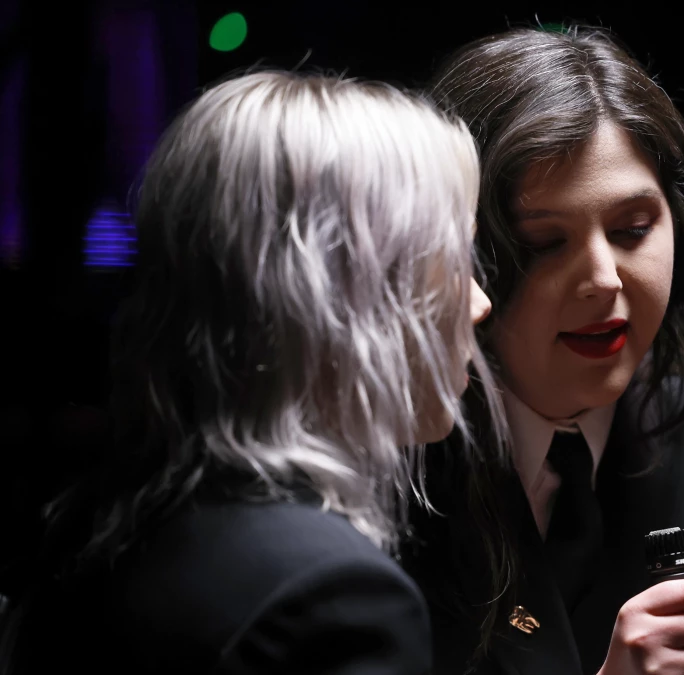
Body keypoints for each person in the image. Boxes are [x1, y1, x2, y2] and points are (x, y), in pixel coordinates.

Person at [10, 70, 499, 674]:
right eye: (454, 260)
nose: (480, 302)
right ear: (342, 295)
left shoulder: (92, 528)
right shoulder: (329, 597)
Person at [403, 26, 684, 675]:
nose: (604, 279)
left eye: (632, 230)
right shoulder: (392, 463)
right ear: (457, 253)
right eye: (543, 242)